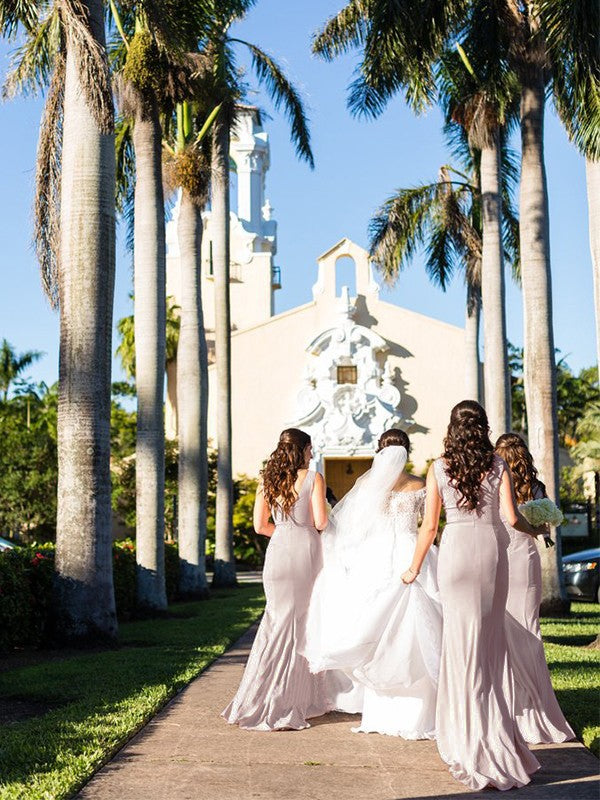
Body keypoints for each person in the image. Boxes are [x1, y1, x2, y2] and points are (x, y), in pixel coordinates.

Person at [402, 401, 543, 790]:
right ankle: (492, 734)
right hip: (491, 552)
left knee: (461, 644)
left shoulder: (438, 468)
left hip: (457, 553)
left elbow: (429, 527)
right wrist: (537, 530)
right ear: (483, 427)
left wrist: (414, 568)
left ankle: (464, 735)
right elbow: (511, 518)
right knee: (489, 645)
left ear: (452, 428)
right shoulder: (498, 465)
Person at [304, 429, 442, 739]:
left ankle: (383, 710)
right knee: (416, 623)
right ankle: (420, 710)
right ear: (407, 451)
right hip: (410, 550)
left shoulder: (369, 486)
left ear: (380, 452)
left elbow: (355, 526)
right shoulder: (420, 484)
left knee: (377, 625)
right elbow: (428, 525)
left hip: (377, 555)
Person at [222, 428, 332, 731]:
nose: (312, 454)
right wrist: (308, 530)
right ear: (303, 449)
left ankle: (257, 697)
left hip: (278, 552)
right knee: (301, 623)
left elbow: (260, 526)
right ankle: (288, 699)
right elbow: (321, 521)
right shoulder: (313, 478)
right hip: (306, 551)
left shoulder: (267, 480)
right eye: (310, 449)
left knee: (275, 621)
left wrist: (285, 531)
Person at [495, 432, 575, 744]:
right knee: (529, 628)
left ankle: (511, 706)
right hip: (523, 559)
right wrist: (539, 530)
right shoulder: (534, 486)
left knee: (504, 629)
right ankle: (531, 705)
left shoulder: (492, 482)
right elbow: (541, 527)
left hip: (500, 557)